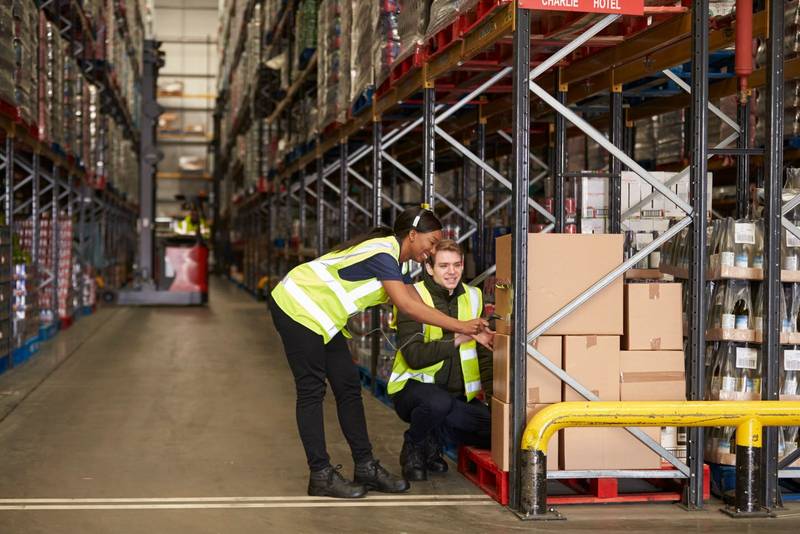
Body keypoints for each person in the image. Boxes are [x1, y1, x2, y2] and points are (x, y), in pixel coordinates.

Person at [268, 206, 488, 499]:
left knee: (348, 387)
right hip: (297, 306)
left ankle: (365, 466)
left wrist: (474, 329)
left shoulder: (396, 263)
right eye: (432, 242)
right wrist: (462, 326)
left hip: (323, 317)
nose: (433, 250)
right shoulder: (383, 255)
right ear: (413, 235)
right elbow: (408, 307)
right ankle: (320, 474)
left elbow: (416, 300)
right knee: (312, 391)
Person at [388, 239, 493, 481]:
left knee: (495, 430)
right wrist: (458, 337)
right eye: (444, 266)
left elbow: (484, 355)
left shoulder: (474, 297)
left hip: (457, 397)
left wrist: (494, 400)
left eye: (457, 265)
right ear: (429, 268)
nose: (452, 272)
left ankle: (435, 436)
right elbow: (414, 357)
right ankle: (414, 445)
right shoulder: (411, 297)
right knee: (438, 403)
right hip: (414, 391)